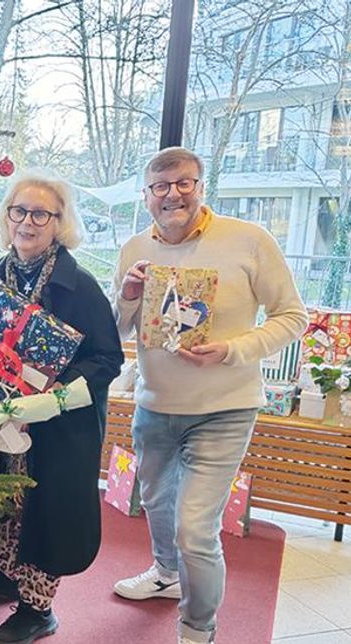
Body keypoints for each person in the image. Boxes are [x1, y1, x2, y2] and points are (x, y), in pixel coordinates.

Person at [110, 147, 307, 644]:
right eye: (161, 186)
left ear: (201, 186)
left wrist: (234, 350)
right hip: (154, 405)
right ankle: (164, 573)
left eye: (184, 183)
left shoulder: (249, 240)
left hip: (225, 409)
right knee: (155, 503)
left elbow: (292, 317)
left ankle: (198, 628)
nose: (172, 194)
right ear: (147, 194)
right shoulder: (135, 248)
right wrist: (129, 297)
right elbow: (114, 331)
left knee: (196, 527)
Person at [0, 173, 124, 643]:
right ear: (6, 215)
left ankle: (38, 608)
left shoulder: (81, 286)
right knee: (5, 497)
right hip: (0, 416)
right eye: (19, 210)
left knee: (43, 510)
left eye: (40, 214)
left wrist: (55, 394)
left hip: (56, 426)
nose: (27, 222)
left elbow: (107, 359)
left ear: (59, 223)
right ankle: (7, 573)